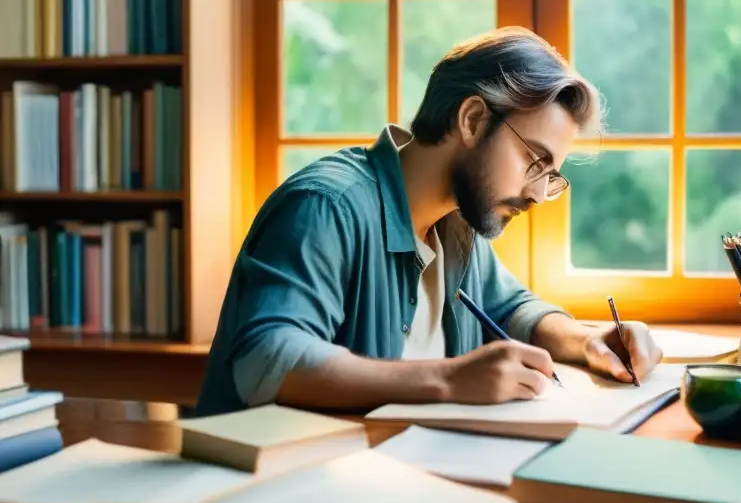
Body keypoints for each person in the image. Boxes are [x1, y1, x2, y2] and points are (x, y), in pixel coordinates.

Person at [195, 27, 664, 416]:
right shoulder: (326, 206)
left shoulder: (456, 221)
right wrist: (448, 379)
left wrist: (586, 343)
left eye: (551, 175)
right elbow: (264, 359)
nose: (539, 193)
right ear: (474, 120)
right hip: (274, 497)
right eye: (534, 161)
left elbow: (511, 309)